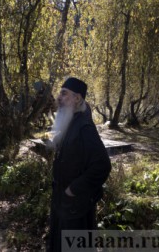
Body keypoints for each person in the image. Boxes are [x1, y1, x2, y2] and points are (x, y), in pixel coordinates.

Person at [47, 77, 112, 252]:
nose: (59, 97)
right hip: (63, 205)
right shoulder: (71, 122)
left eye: (64, 93)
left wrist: (73, 189)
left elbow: (102, 166)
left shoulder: (85, 127)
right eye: (59, 93)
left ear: (77, 98)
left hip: (76, 209)